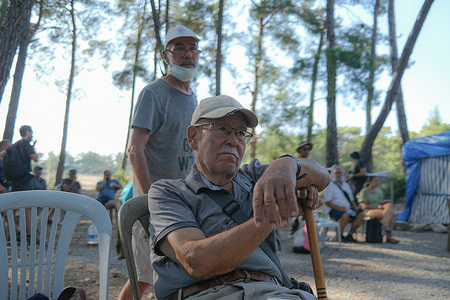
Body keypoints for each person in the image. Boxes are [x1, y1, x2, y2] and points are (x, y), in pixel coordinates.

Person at [148, 95, 330, 300]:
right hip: (207, 294)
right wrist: (273, 215)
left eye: (241, 133)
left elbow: (323, 176)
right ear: (193, 137)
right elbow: (196, 262)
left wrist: (287, 164)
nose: (233, 140)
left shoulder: (255, 177)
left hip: (274, 293)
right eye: (222, 129)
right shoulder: (169, 192)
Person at [119, 24, 200, 300]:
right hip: (155, 203)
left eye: (192, 47)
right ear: (166, 56)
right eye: (179, 48)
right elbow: (134, 149)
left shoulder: (193, 96)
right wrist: (150, 200)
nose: (187, 54)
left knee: (180, 275)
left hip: (186, 202)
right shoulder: (153, 93)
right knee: (143, 277)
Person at [323, 165, 365, 243]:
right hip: (334, 210)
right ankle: (340, 235)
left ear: (343, 174)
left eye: (340, 173)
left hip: (347, 209)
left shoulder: (346, 185)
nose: (338, 174)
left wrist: (355, 207)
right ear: (333, 174)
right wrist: (340, 208)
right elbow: (327, 202)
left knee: (361, 215)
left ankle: (350, 235)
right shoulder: (330, 186)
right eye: (336, 173)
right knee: (345, 215)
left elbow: (351, 199)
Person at [359, 176, 399, 244]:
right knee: (391, 215)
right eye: (375, 181)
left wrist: (384, 206)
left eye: (378, 181)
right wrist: (377, 207)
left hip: (380, 209)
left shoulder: (377, 192)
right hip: (369, 210)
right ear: (369, 182)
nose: (377, 182)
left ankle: (386, 226)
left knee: (390, 207)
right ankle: (389, 236)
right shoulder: (364, 191)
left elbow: (381, 203)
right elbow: (364, 206)